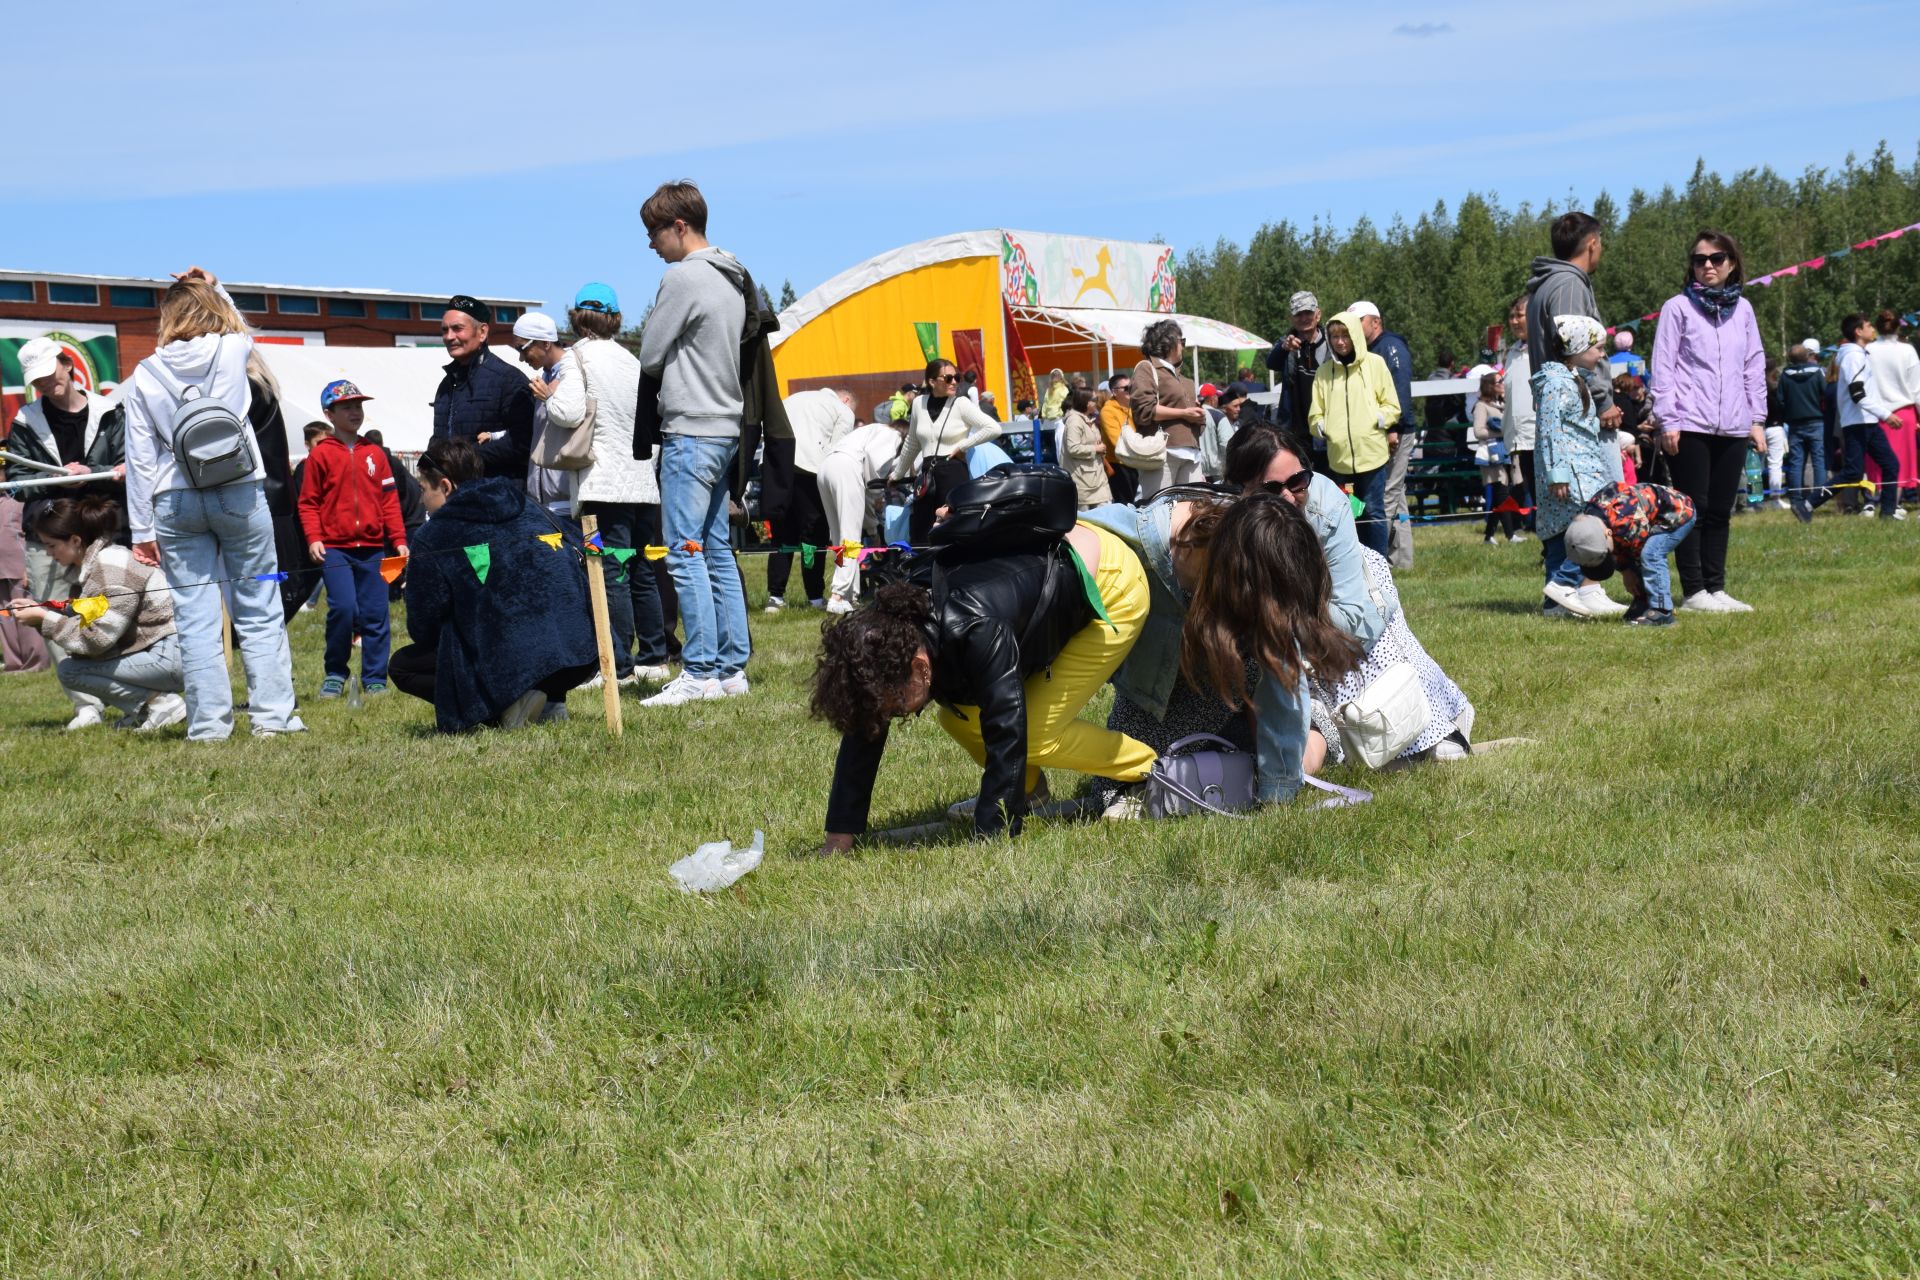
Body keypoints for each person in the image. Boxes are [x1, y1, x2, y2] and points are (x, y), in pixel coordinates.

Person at [812, 519, 1155, 848]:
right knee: (958, 720)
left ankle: (1150, 772)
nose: (893, 714)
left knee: (1036, 732)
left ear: (919, 667)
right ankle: (1030, 792)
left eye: (894, 705)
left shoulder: (975, 629)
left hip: (1110, 585)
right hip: (1051, 570)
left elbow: (1007, 725)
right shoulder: (890, 633)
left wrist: (992, 833)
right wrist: (839, 836)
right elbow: (866, 726)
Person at [1080, 481, 1370, 816]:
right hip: (1166, 700)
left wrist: (1278, 792)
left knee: (1309, 744)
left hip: (1247, 700)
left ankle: (1292, 742)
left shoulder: (1264, 555)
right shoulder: (1156, 540)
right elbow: (1086, 533)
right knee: (1114, 793)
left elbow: (1281, 684)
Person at [120, 266, 303, 741]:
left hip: (174, 498)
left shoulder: (145, 372)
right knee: (258, 606)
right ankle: (273, 720)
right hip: (238, 488)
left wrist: (141, 530)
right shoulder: (231, 348)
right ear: (214, 310)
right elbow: (241, 325)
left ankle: (207, 727)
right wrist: (215, 286)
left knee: (194, 616)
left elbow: (139, 457)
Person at [636, 180, 756, 706]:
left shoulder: (682, 277)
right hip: (727, 428)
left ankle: (700, 672)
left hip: (690, 429)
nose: (651, 243)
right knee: (717, 552)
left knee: (684, 554)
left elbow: (650, 353)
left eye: (654, 232)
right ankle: (731, 670)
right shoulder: (734, 276)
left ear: (679, 226)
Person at [391, 438, 596, 731]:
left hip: (515, 659)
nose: (422, 499)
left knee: (403, 665)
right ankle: (550, 700)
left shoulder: (435, 533)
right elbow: (581, 549)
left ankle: (501, 710)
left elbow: (423, 626)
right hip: (580, 653)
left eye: (423, 489)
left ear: (446, 487)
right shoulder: (529, 504)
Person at [4, 337, 128, 725]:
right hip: (50, 532)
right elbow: (19, 480)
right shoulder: (25, 421)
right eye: (36, 381)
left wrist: (95, 474)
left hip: (101, 528)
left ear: (67, 365)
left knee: (108, 610)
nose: (45, 384)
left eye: (49, 375)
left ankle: (129, 693)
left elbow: (130, 463)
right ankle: (85, 705)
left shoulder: (109, 412)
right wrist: (61, 480)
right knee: (48, 610)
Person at [1649, 229, 1769, 612]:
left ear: (1731, 263)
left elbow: (1753, 365)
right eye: (1700, 260)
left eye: (1716, 259)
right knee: (1692, 509)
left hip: (1734, 422)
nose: (1708, 266)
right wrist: (1668, 419)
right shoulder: (1677, 308)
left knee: (1721, 509)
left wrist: (1756, 418)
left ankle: (1716, 588)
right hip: (1689, 423)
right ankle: (1694, 591)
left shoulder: (1744, 310)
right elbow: (1663, 367)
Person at [9, 495, 185, 730]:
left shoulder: (109, 568)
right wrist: (41, 615)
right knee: (75, 664)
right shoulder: (97, 564)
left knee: (71, 671)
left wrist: (44, 618)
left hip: (173, 657)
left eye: (51, 545)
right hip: (158, 651)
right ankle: (147, 710)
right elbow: (92, 632)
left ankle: (160, 704)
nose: (49, 554)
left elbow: (97, 639)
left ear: (75, 540)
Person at [296, 379, 408, 699]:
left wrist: (398, 538)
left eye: (358, 406)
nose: (355, 412)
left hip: (373, 549)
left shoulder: (375, 453)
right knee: (343, 609)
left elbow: (389, 500)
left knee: (376, 614)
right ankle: (335, 671)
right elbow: (308, 503)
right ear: (329, 414)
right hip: (335, 549)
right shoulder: (320, 456)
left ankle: (375, 678)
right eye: (347, 407)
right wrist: (314, 537)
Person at [1534, 315, 1623, 619]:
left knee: (1562, 535)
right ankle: (1563, 583)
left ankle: (1556, 606)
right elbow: (1551, 430)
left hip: (1579, 470)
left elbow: (1571, 424)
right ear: (1577, 347)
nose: (1601, 354)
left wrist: (1598, 423)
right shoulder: (1556, 384)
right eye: (1597, 347)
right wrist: (1557, 474)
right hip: (1571, 475)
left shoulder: (1570, 379)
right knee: (1594, 527)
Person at [1307, 309, 1400, 557]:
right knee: (1348, 512)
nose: (1340, 341)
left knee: (1373, 511)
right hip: (1340, 461)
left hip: (1372, 457)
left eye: (1345, 335)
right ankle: (1354, 562)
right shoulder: (1324, 372)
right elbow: (1315, 415)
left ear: (1355, 335)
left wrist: (1375, 420)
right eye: (1334, 336)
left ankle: (1379, 563)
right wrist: (1326, 429)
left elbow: (1392, 407)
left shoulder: (1375, 364)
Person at [889, 358, 1004, 543]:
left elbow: (993, 428)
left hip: (953, 472)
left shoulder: (961, 404)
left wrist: (963, 446)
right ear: (932, 381)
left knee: (954, 529)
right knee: (921, 531)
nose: (954, 382)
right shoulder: (918, 403)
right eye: (948, 378)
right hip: (927, 475)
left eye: (957, 378)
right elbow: (912, 442)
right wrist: (896, 474)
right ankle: (925, 571)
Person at [1525, 212, 1620, 432]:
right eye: (1601, 243)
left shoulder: (1550, 283)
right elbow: (1575, 352)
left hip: (1566, 412)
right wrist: (1603, 402)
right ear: (1592, 244)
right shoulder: (1568, 285)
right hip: (1578, 417)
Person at [764, 387, 852, 611]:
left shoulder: (792, 398)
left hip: (777, 467)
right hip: (811, 470)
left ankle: (775, 597)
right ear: (846, 399)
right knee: (812, 538)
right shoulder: (842, 410)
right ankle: (814, 597)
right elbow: (838, 450)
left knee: (781, 537)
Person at [1563, 482, 1697, 627]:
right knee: (1633, 556)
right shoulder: (1591, 519)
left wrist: (1630, 572)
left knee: (1651, 554)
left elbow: (1639, 551)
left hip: (1678, 513)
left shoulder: (1625, 521)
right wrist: (1626, 570)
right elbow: (1619, 549)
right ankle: (1643, 603)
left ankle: (1661, 611)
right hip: (1648, 518)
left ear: (1608, 533)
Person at [430, 295, 534, 482]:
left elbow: (523, 441)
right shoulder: (445, 385)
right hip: (456, 498)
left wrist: (464, 459)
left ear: (482, 332)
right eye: (444, 330)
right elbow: (439, 438)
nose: (449, 337)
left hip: (498, 498)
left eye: (457, 329)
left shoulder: (508, 380)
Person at [1347, 302, 1417, 568]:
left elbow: (1400, 389)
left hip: (1395, 431)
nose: (1354, 325)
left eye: (1359, 320)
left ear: (1375, 321)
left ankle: (1376, 560)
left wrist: (1393, 427)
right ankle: (1402, 559)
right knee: (1396, 495)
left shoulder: (1390, 347)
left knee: (1386, 493)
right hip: (1383, 431)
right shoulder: (1369, 350)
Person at [816, 413, 907, 613]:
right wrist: (877, 492)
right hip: (847, 467)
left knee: (840, 538)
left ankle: (850, 594)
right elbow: (875, 464)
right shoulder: (893, 435)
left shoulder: (871, 429)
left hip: (826, 467)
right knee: (850, 538)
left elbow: (863, 499)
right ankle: (838, 595)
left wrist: (872, 530)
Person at [1832, 313, 1905, 521]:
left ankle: (1888, 512)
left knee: (1890, 464)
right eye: (1868, 325)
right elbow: (1858, 396)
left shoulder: (1863, 353)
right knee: (1853, 471)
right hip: (1858, 422)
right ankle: (1811, 502)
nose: (1872, 329)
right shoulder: (1854, 356)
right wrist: (1886, 413)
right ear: (1858, 331)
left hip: (1869, 420)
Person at [1130, 320, 1207, 490]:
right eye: (1182, 341)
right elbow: (1144, 410)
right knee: (1159, 511)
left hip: (1191, 454)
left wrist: (1198, 417)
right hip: (1162, 454)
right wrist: (1184, 413)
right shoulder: (1147, 369)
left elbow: (1196, 422)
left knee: (1192, 512)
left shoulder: (1185, 380)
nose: (1184, 347)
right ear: (1168, 342)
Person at [1866, 310, 1920, 500]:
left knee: (1878, 463)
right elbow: (1917, 388)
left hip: (1875, 413)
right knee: (1901, 464)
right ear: (1898, 326)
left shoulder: (1868, 350)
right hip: (1904, 413)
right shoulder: (1908, 350)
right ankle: (1893, 504)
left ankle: (1878, 502)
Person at [1774, 342, 1829, 522]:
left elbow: (1780, 400)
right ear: (1807, 356)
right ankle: (1818, 496)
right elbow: (1825, 394)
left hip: (1795, 424)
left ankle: (1796, 498)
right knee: (1818, 460)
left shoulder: (1785, 376)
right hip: (1816, 421)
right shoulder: (1817, 373)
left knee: (1796, 462)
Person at [1264, 291, 1328, 436]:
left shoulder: (1331, 342)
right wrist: (1284, 348)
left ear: (1318, 314)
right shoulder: (1286, 342)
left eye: (1308, 313)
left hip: (1326, 423)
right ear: (1291, 318)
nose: (1304, 318)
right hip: (1294, 427)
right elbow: (1271, 363)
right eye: (1298, 314)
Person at [1471, 372, 1520, 543]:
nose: (1502, 383)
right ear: (1491, 386)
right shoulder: (1481, 406)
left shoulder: (1502, 403)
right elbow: (1478, 431)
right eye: (1500, 381)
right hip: (1491, 455)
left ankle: (1488, 536)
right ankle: (1510, 534)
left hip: (1505, 452)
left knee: (1500, 494)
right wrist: (1500, 430)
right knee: (1502, 493)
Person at [1059, 386, 1111, 508]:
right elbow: (1073, 448)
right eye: (1094, 399)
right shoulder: (1074, 421)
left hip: (1095, 480)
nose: (1097, 401)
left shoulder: (1087, 419)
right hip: (1083, 483)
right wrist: (1096, 449)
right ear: (1086, 402)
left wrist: (1101, 448)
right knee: (1086, 520)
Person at [1098, 369, 1139, 505]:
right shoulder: (1107, 411)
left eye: (1132, 387)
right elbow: (1116, 440)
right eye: (1126, 388)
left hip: (1135, 460)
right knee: (1124, 503)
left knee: (1132, 501)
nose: (1130, 391)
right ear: (1115, 392)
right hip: (1118, 464)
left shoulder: (1133, 407)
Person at [1199, 383, 1249, 481]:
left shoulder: (1191, 413)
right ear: (1212, 398)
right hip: (1216, 472)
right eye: (1216, 397)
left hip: (1195, 470)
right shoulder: (1218, 415)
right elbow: (1228, 444)